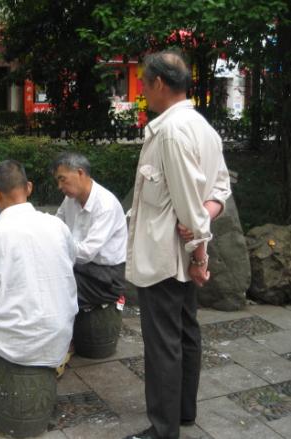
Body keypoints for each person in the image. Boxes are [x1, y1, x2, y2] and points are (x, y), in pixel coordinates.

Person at [123, 50, 231, 439]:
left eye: (143, 83)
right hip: (178, 253)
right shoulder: (203, 127)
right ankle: (183, 412)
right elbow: (220, 189)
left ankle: (164, 429)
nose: (142, 92)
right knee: (186, 332)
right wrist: (204, 218)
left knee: (164, 342)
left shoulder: (170, 131)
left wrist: (199, 250)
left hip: (166, 257)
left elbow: (189, 204)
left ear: (159, 84)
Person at [0, 160, 78, 415]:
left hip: (18, 337)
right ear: (29, 187)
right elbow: (70, 259)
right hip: (61, 329)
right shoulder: (57, 225)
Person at [52, 152, 127, 309]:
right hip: (79, 267)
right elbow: (55, 225)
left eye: (62, 179)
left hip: (106, 277)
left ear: (80, 173)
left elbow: (86, 252)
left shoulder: (105, 205)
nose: (59, 187)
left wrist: (54, 246)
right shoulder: (70, 199)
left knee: (50, 288)